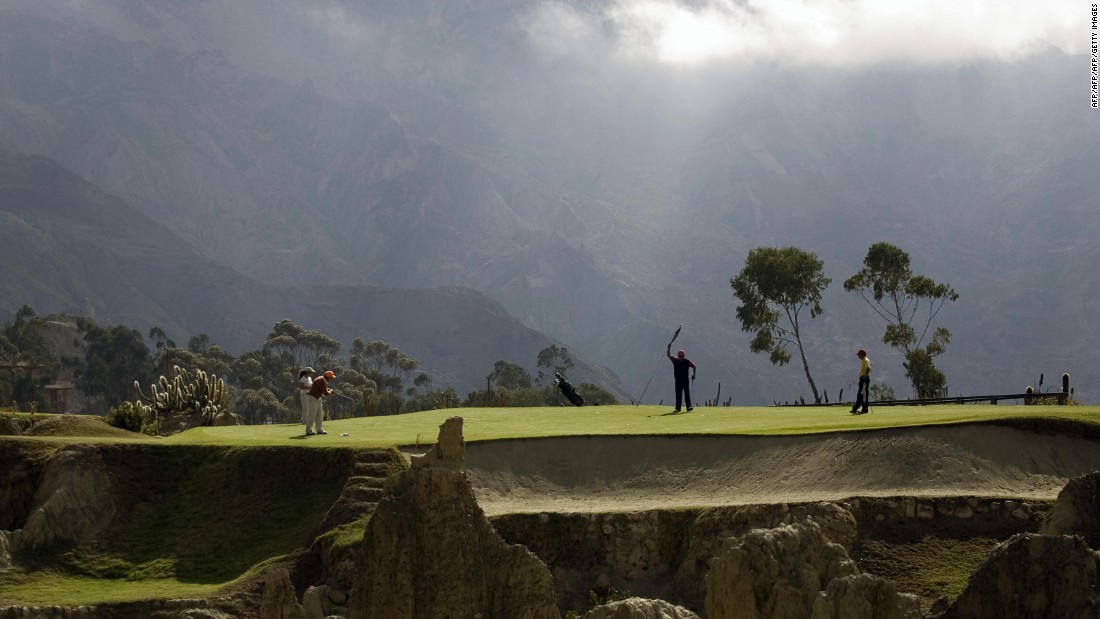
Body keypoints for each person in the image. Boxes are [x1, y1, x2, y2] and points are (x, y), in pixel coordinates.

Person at [666, 344, 696, 412]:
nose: (680, 357)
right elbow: (668, 355)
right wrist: (669, 348)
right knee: (678, 395)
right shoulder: (675, 360)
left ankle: (689, 407)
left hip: (685, 381)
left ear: (683, 356)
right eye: (679, 356)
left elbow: (694, 366)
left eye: (681, 356)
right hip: (678, 381)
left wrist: (694, 375)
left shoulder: (687, 362)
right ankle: (678, 408)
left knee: (687, 394)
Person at [306, 370, 334, 435]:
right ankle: (308, 430)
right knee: (311, 415)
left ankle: (319, 430)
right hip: (313, 398)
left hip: (317, 398)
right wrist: (330, 392)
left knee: (319, 415)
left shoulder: (322, 379)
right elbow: (326, 393)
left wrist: (328, 389)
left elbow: (323, 389)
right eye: (331, 378)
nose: (332, 379)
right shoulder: (321, 381)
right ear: (329, 378)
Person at [850, 349, 871, 414]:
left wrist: (865, 376)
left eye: (859, 355)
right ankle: (860, 409)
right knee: (862, 394)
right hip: (862, 379)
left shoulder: (865, 360)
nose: (858, 356)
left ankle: (859, 409)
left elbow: (868, 368)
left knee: (862, 395)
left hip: (864, 380)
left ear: (862, 354)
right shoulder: (863, 360)